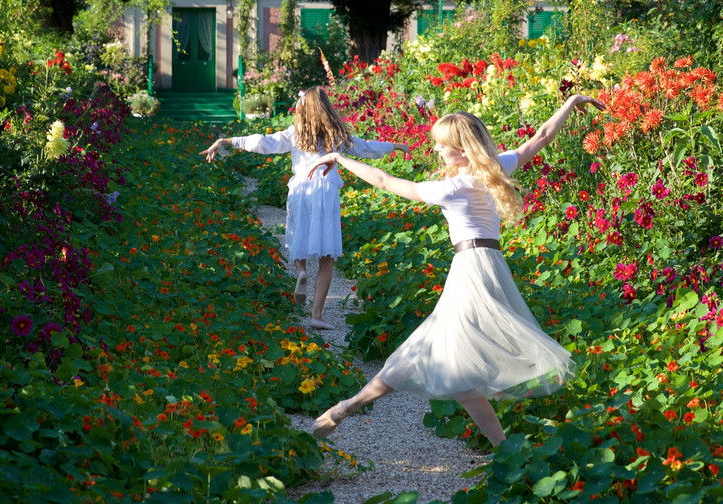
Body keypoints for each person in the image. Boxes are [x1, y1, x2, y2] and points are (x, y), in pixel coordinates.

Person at [305, 94, 601, 444]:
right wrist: (571, 102)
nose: (437, 152)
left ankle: (347, 407)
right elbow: (540, 137)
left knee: (444, 355)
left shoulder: (453, 188)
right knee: (453, 363)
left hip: (471, 270)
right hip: (490, 266)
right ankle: (502, 448)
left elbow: (385, 182)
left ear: (461, 149)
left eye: (442, 146)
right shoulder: (495, 170)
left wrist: (339, 157)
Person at [201, 86, 404, 329]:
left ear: (302, 108)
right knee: (327, 258)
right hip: (326, 190)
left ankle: (300, 272)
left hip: (301, 189)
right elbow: (366, 148)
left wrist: (227, 140)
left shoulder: (295, 133)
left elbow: (264, 143)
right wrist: (395, 146)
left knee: (297, 236)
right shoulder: (336, 134)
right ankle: (317, 316)